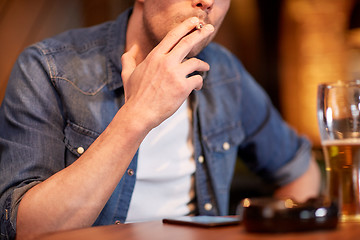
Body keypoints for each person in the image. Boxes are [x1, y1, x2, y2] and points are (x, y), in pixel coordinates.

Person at [0, 0, 321, 239]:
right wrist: (137, 115)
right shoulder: (48, 68)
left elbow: (300, 171)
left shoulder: (224, 73)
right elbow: (25, 229)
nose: (207, 2)